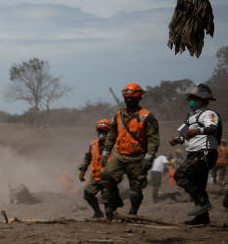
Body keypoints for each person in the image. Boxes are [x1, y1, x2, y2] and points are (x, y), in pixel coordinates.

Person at [99, 83, 159, 220]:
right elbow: (111, 135)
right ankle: (114, 203)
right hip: (119, 155)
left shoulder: (147, 116)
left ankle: (133, 212)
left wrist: (149, 157)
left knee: (135, 189)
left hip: (138, 157)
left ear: (139, 98)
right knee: (105, 178)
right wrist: (106, 152)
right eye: (126, 97)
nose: (129, 100)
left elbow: (153, 139)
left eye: (132, 98)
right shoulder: (119, 115)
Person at [169, 83, 222, 226]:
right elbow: (185, 134)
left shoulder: (208, 114)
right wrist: (178, 140)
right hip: (193, 153)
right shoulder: (191, 117)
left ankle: (204, 203)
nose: (191, 101)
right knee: (198, 184)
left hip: (204, 152)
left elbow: (212, 128)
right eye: (190, 98)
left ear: (204, 99)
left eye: (194, 98)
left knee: (180, 176)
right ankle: (203, 218)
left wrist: (199, 131)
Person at [78, 119, 111, 218]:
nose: (102, 133)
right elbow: (87, 158)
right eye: (100, 131)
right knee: (87, 194)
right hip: (95, 175)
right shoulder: (93, 145)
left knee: (106, 197)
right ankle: (98, 212)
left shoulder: (115, 145)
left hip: (109, 176)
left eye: (104, 131)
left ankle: (110, 216)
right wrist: (82, 172)